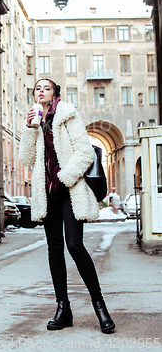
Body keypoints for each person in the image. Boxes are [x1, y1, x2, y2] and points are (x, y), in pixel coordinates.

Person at [18, 78, 115, 334]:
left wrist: (63, 179)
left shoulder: (68, 115)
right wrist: (29, 128)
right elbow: (28, 159)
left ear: (55, 93)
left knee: (75, 246)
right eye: (37, 88)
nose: (41, 91)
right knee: (54, 249)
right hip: (47, 194)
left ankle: (100, 306)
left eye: (46, 88)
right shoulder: (35, 121)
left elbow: (85, 153)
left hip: (69, 191)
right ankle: (63, 308)